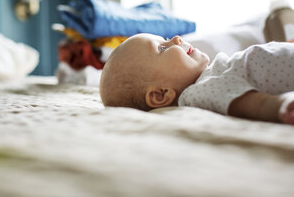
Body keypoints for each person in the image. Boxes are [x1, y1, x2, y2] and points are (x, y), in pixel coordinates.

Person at [99, 33, 294, 125]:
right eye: (163, 48)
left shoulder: (211, 74)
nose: (177, 39)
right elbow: (253, 104)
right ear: (160, 95)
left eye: (164, 38)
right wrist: (280, 105)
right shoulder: (199, 90)